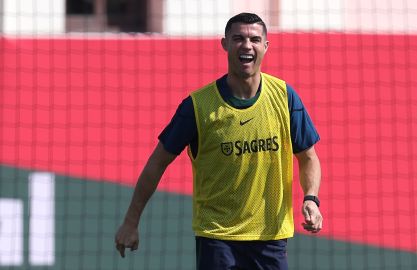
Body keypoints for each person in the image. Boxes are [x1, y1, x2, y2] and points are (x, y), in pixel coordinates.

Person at [115, 12, 323, 270]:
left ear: (265, 47)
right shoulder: (198, 106)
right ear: (224, 44)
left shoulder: (285, 97)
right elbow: (157, 162)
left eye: (255, 39)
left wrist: (311, 199)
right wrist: (130, 221)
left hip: (271, 238)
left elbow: (309, 157)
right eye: (238, 38)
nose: (247, 45)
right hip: (217, 238)